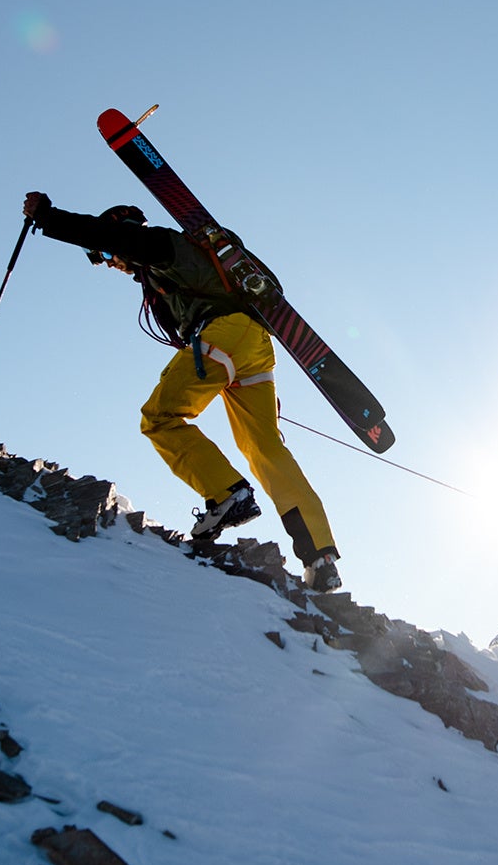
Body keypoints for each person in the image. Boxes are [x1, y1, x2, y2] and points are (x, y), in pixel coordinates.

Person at [22, 192, 342, 592]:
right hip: (254, 345)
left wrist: (49, 218)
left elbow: (108, 236)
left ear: (121, 231)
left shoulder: (159, 245)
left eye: (105, 255)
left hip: (222, 336)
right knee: (265, 449)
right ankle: (320, 556)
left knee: (159, 418)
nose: (110, 263)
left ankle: (227, 493)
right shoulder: (175, 264)